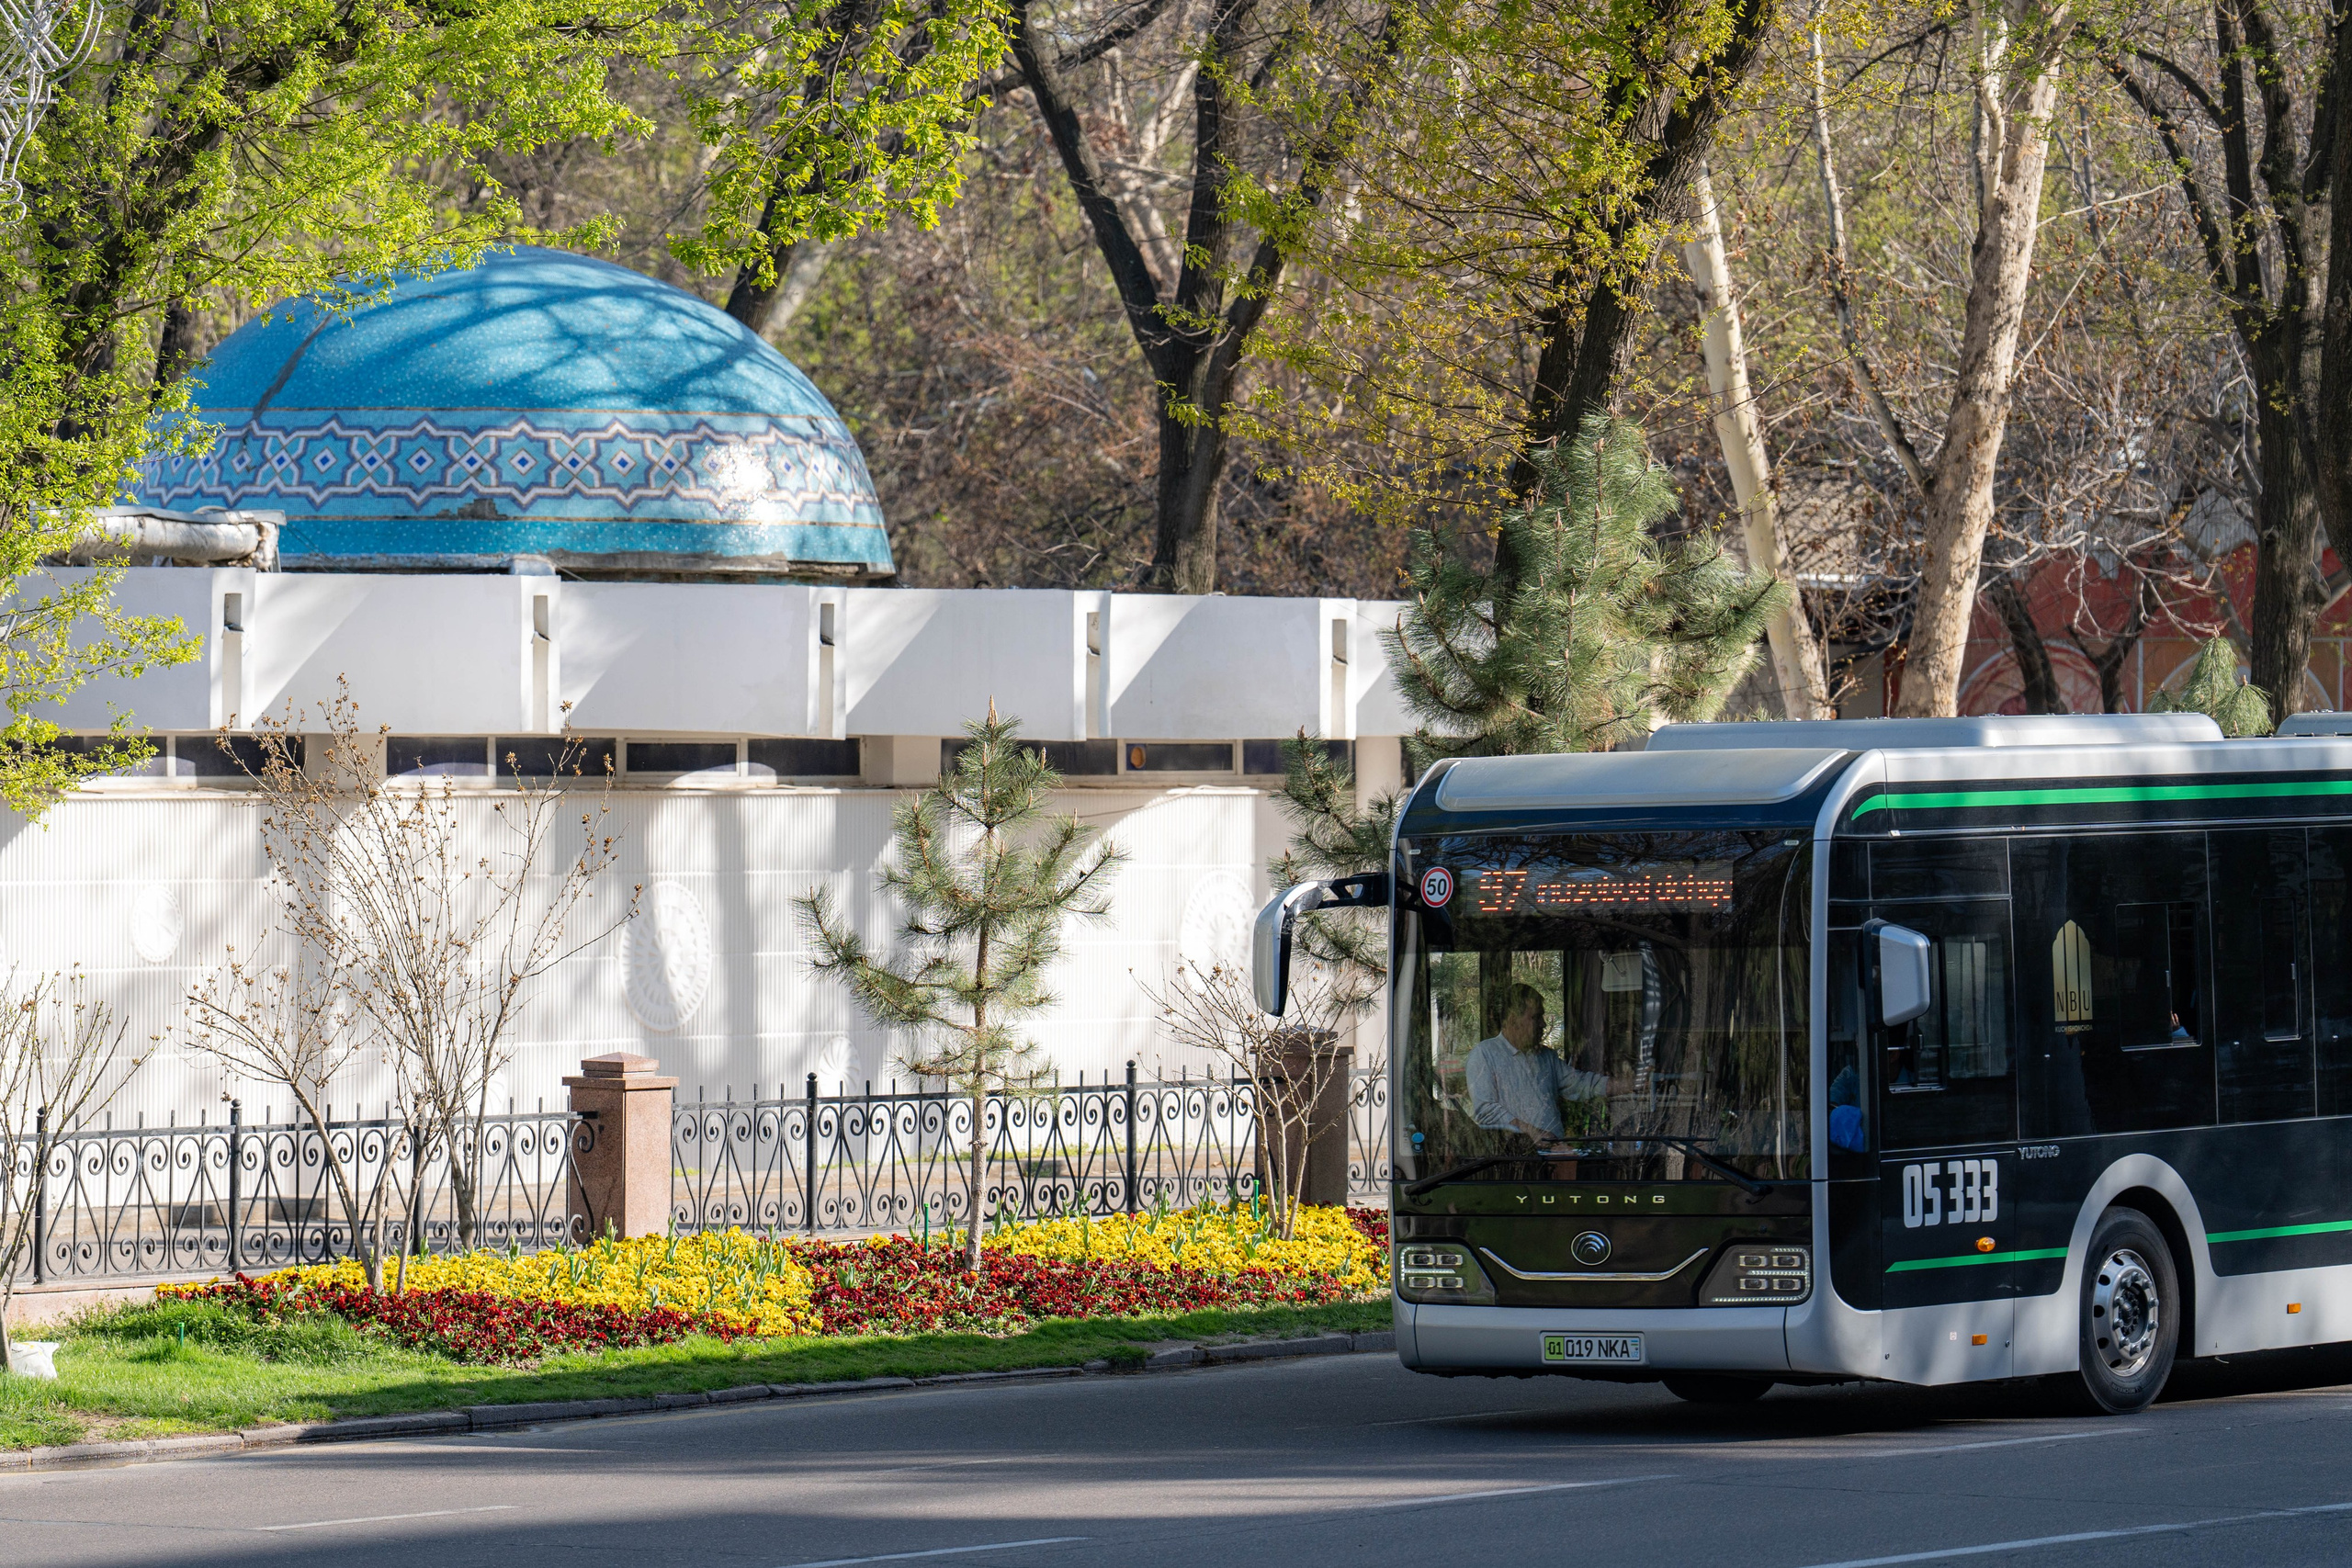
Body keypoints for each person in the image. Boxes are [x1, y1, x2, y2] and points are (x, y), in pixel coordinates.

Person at [1465, 982, 1610, 1147]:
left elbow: (1580, 1084)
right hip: (1517, 1161)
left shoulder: (1546, 1056)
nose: (1543, 1024)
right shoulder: (1485, 1054)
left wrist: (1627, 1085)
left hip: (1555, 1155)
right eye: (1536, 1017)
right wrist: (1532, 1132)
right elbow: (1486, 1111)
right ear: (1513, 1019)